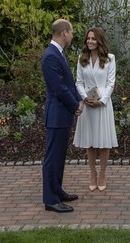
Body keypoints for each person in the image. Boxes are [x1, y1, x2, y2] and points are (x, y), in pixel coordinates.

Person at [41, 19, 84, 213]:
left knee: (59, 156)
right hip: (57, 115)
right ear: (64, 32)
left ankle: (57, 191)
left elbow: (68, 82)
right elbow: (58, 88)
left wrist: (78, 100)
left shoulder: (59, 54)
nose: (73, 35)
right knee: (52, 158)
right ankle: (51, 200)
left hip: (63, 114)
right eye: (72, 32)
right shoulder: (50, 56)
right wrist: (75, 104)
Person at [73, 27, 118, 192]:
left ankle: (102, 174)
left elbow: (111, 83)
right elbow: (78, 82)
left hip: (102, 105)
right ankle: (92, 174)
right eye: (88, 39)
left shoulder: (110, 59)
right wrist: (85, 97)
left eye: (93, 39)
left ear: (99, 40)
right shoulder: (81, 58)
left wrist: (102, 100)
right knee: (90, 142)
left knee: (104, 142)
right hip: (88, 104)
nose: (90, 41)